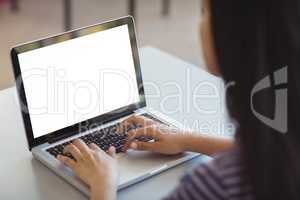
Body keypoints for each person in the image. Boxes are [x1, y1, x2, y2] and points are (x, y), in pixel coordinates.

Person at [57, 0, 300, 199]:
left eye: (204, 12)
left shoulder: (211, 188)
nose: (200, 24)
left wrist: (103, 186)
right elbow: (267, 155)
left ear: (232, 36)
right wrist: (190, 139)